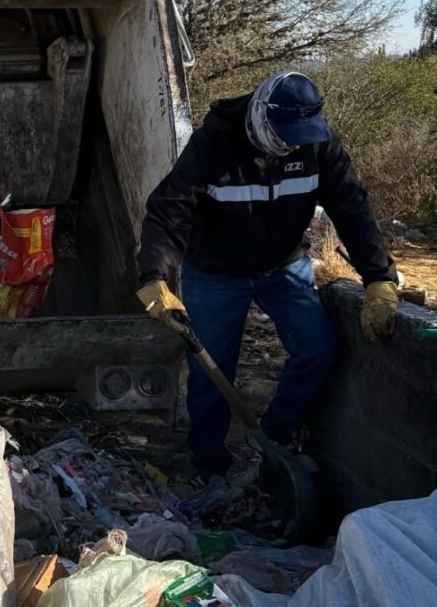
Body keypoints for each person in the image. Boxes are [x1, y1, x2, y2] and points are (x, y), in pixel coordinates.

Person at [135, 71, 399, 484]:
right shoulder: (214, 145)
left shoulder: (318, 143)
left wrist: (379, 278)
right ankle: (209, 467)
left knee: (316, 350)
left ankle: (271, 446)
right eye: (287, 133)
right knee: (211, 371)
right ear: (262, 115)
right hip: (217, 273)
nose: (294, 142)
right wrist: (155, 277)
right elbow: (168, 212)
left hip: (283, 267)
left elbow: (352, 208)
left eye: (301, 134)